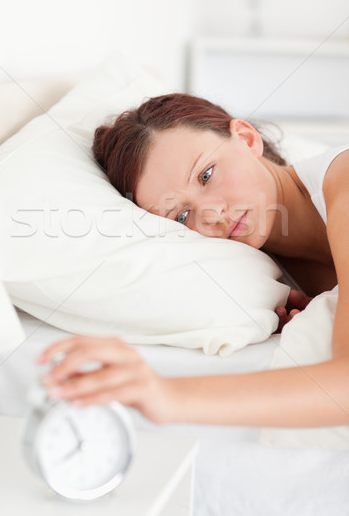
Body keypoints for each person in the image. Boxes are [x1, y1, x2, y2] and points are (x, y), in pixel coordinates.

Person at [38, 93, 349, 428]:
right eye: (183, 215)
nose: (212, 214)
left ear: (246, 138)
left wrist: (166, 394)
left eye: (206, 175)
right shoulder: (263, 268)